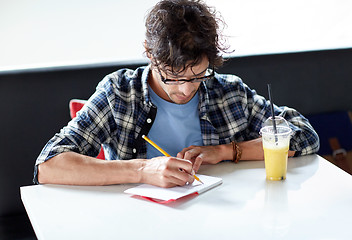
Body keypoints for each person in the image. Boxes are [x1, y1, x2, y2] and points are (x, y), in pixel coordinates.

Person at [34, 0, 319, 188]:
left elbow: (303, 136)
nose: (185, 89)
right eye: (172, 76)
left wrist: (225, 152)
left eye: (197, 76)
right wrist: (142, 170)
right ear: (149, 53)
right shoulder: (119, 94)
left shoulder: (227, 92)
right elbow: (49, 166)